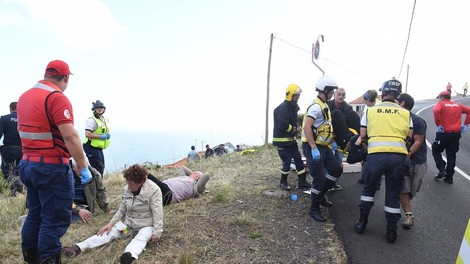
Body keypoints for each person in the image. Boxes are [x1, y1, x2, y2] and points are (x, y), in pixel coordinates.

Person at [17, 60, 92, 263]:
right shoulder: (56, 98)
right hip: (50, 167)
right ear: (66, 78)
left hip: (27, 164)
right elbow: (70, 136)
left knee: (35, 214)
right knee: (54, 219)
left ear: (46, 74)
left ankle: (30, 257)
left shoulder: (24, 96)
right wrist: (83, 166)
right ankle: (49, 259)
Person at [62, 164, 163, 264]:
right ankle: (78, 248)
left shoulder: (154, 190)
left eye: (131, 184)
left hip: (146, 225)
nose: (128, 186)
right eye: (127, 182)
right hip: (129, 225)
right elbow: (122, 210)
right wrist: (110, 224)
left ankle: (129, 256)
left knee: (141, 238)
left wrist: (157, 232)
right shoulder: (126, 189)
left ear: (141, 182)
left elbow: (158, 213)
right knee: (109, 232)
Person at [354, 79, 412, 244]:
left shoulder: (371, 111)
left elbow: (363, 135)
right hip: (398, 157)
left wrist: (367, 149)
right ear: (397, 95)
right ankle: (391, 232)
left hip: (375, 156)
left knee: (368, 190)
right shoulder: (405, 112)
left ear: (383, 93)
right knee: (393, 195)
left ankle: (361, 223)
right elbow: (409, 136)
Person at [301, 76, 343, 222]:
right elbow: (307, 126)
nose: (333, 93)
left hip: (323, 146)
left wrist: (332, 143)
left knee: (336, 170)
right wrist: (313, 147)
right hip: (313, 146)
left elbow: (324, 128)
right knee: (318, 178)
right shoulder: (316, 107)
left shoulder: (324, 105)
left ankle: (320, 196)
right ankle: (314, 209)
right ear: (325, 90)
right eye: (332, 90)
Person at [396, 93, 427, 229]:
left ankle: (405, 203)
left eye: (396, 101)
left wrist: (407, 155)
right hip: (402, 161)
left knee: (411, 191)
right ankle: (408, 215)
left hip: (417, 162)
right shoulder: (395, 119)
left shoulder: (417, 121)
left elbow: (418, 141)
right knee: (404, 189)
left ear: (402, 103)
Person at [273, 84, 310, 191]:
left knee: (298, 160)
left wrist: (296, 129)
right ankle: (283, 182)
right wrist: (294, 130)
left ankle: (302, 182)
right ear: (290, 95)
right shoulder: (284, 108)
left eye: (298, 96)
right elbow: (282, 125)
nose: (297, 98)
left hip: (291, 141)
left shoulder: (291, 107)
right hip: (282, 142)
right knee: (287, 162)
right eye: (296, 95)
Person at [432, 91, 470, 184]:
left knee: (435, 150)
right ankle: (449, 177)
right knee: (451, 154)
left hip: (444, 132)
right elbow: (469, 111)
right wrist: (465, 124)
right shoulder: (458, 105)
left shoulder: (440, 104)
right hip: (456, 133)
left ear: (441, 97)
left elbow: (436, 110)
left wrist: (438, 124)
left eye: (439, 98)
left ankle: (442, 169)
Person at [327, 87, 360, 191]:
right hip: (328, 137)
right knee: (328, 163)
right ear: (334, 95)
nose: (341, 97)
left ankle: (332, 183)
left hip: (341, 139)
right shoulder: (327, 105)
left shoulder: (348, 109)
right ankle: (327, 184)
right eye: (339, 94)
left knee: (338, 162)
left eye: (343, 95)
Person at [70, 158, 113, 223]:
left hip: (84, 205)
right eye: (79, 168)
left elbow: (100, 191)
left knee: (84, 219)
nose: (82, 170)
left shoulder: (93, 173)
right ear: (73, 168)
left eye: (84, 167)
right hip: (68, 206)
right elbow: (62, 199)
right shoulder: (63, 175)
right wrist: (78, 210)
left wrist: (107, 209)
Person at [0, 101, 23, 195]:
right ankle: (19, 191)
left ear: (10, 109)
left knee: (8, 172)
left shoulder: (4, 118)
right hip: (23, 150)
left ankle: (15, 192)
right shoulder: (24, 119)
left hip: (8, 149)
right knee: (19, 171)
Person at [83, 100, 110, 176]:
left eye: (101, 108)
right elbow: (87, 134)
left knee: (101, 167)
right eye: (97, 108)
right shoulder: (91, 120)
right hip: (90, 146)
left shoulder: (104, 119)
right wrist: (101, 137)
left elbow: (103, 130)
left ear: (104, 109)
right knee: (97, 168)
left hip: (98, 146)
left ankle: (99, 186)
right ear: (94, 109)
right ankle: (96, 187)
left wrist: (107, 134)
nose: (100, 109)